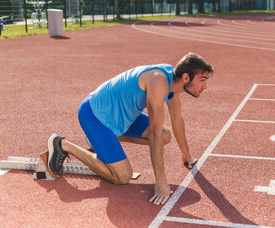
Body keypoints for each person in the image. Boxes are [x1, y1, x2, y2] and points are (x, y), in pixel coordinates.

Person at [43, 52, 214, 205]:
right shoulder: (158, 82)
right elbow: (153, 133)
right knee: (122, 176)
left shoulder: (172, 81)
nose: (205, 86)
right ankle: (63, 144)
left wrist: (187, 154)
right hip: (95, 115)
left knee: (165, 136)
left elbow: (177, 119)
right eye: (202, 80)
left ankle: (105, 141)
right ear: (186, 77)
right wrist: (160, 181)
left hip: (122, 117)